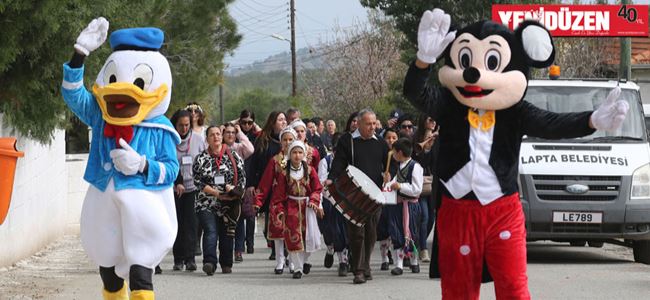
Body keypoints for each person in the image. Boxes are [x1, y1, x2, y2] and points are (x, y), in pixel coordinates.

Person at [62, 21, 180, 299]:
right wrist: (79, 54)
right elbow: (73, 94)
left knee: (141, 275)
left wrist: (143, 164)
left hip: (142, 210)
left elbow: (171, 169)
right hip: (104, 206)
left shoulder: (160, 128)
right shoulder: (101, 116)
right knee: (109, 275)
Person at [326, 109, 389, 284]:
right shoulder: (348, 141)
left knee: (371, 233)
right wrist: (331, 179)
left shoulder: (381, 143)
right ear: (359, 124)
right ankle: (359, 270)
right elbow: (339, 163)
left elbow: (390, 166)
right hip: (353, 194)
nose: (372, 127)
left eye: (374, 123)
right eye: (368, 124)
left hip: (375, 195)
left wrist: (389, 174)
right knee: (356, 233)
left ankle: (365, 265)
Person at [193, 126, 245, 275]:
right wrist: (215, 193)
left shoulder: (233, 156)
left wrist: (233, 191)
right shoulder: (201, 158)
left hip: (228, 203)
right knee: (210, 230)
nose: (215, 137)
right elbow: (198, 182)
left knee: (226, 233)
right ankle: (209, 262)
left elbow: (242, 178)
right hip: (206, 202)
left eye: (217, 134)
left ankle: (226, 263)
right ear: (207, 139)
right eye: (211, 135)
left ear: (221, 137)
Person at [272, 140, 323, 279]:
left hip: (307, 207)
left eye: (300, 152)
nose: (297, 155)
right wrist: (280, 211)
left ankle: (306, 260)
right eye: (294, 152)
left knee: (311, 238)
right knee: (293, 238)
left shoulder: (310, 170)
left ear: (304, 154)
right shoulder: (284, 173)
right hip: (292, 208)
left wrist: (314, 200)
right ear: (290, 154)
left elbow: (317, 188)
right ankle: (298, 268)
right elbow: (279, 195)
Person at [254, 127, 297, 274]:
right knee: (278, 231)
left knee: (293, 231)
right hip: (278, 200)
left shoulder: (300, 160)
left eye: (290, 139)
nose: (287, 142)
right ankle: (280, 260)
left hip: (295, 201)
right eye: (284, 139)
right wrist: (258, 201)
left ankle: (292, 261)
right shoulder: (275, 161)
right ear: (280, 142)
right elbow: (265, 183)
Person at [171, 109, 205, 272]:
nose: (184, 129)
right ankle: (178, 259)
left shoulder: (198, 139)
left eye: (186, 125)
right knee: (177, 223)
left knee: (191, 224)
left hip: (192, 188)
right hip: (174, 189)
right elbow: (167, 162)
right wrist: (177, 182)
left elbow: (203, 162)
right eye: (180, 125)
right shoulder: (169, 140)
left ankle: (190, 258)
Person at [250, 111, 287, 261]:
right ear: (273, 122)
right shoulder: (263, 140)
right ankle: (273, 245)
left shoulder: (289, 140)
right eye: (280, 119)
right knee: (270, 218)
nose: (283, 122)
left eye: (285, 119)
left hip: (286, 185)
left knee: (284, 217)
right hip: (267, 184)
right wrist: (252, 184)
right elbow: (254, 164)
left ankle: (283, 248)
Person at [385, 138, 424, 275]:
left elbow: (417, 189)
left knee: (412, 233)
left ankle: (414, 262)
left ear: (400, 152)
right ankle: (399, 264)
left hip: (411, 206)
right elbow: (392, 184)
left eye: (395, 152)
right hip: (398, 205)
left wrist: (400, 186)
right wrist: (388, 182)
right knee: (397, 232)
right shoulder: (399, 167)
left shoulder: (415, 167)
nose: (394, 155)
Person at [317, 133, 350, 276]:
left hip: (347, 202)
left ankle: (343, 261)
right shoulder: (325, 162)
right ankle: (330, 249)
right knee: (329, 231)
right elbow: (322, 183)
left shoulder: (350, 162)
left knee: (343, 232)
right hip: (330, 201)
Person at [222, 122, 254, 263]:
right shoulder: (218, 148)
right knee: (225, 222)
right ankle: (226, 250)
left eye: (232, 132)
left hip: (238, 189)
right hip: (222, 189)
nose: (230, 135)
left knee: (240, 221)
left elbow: (251, 149)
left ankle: (239, 250)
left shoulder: (239, 148)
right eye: (227, 132)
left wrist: (240, 132)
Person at [413, 115, 440, 263]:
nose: (432, 122)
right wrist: (426, 148)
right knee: (424, 216)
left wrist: (433, 146)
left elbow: (436, 162)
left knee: (430, 218)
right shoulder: (415, 137)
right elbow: (417, 159)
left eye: (434, 120)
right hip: (419, 182)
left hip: (433, 183)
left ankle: (417, 242)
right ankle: (423, 249)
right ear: (423, 121)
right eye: (430, 120)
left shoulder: (438, 139)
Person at [237, 109, 260, 256]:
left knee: (251, 214)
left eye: (250, 122)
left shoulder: (257, 137)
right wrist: (236, 125)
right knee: (239, 213)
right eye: (244, 122)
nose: (246, 125)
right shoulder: (235, 135)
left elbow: (266, 133)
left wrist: (254, 183)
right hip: (237, 179)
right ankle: (239, 245)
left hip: (251, 176)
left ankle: (250, 243)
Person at [377, 128, 399, 271]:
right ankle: (384, 257)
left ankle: (399, 258)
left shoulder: (401, 155)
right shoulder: (379, 154)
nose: (391, 141)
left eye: (394, 138)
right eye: (388, 138)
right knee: (382, 228)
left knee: (395, 227)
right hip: (381, 195)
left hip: (397, 196)